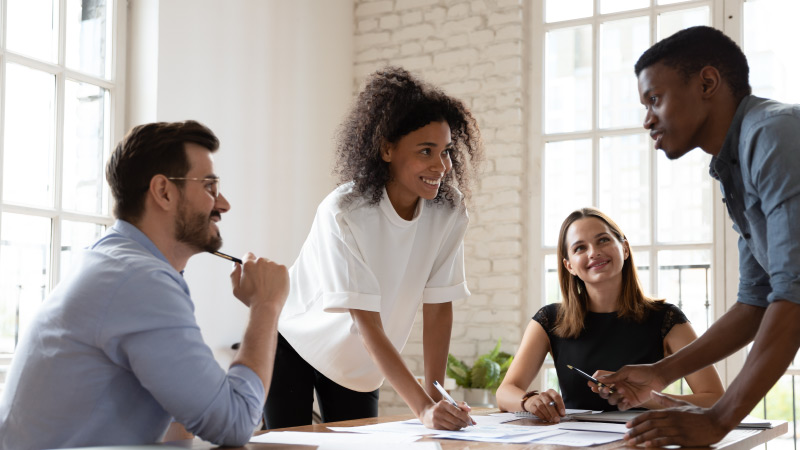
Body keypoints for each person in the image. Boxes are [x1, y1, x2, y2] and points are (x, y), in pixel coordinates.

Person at [0, 121, 289, 449]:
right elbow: (234, 424)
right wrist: (265, 305)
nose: (223, 204)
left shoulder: (115, 262)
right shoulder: (139, 280)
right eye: (209, 187)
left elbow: (181, 423)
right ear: (164, 192)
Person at [596, 25, 800, 447]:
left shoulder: (772, 133)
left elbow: (794, 293)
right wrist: (661, 372)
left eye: (655, 99)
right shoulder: (735, 164)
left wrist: (718, 419)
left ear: (707, 82)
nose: (647, 118)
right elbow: (756, 302)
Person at [265, 66, 483, 431]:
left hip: (360, 367)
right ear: (386, 149)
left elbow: (439, 307)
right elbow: (365, 321)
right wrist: (422, 410)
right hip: (295, 345)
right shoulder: (344, 212)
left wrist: (436, 395)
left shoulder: (448, 211)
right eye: (425, 151)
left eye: (445, 151)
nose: (441, 166)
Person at [495, 208, 723, 422]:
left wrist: (648, 398)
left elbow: (714, 399)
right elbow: (505, 392)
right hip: (572, 444)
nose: (594, 252)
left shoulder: (666, 319)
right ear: (569, 266)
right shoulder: (549, 319)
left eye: (603, 240)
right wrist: (529, 401)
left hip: (642, 441)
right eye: (580, 248)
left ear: (624, 248)